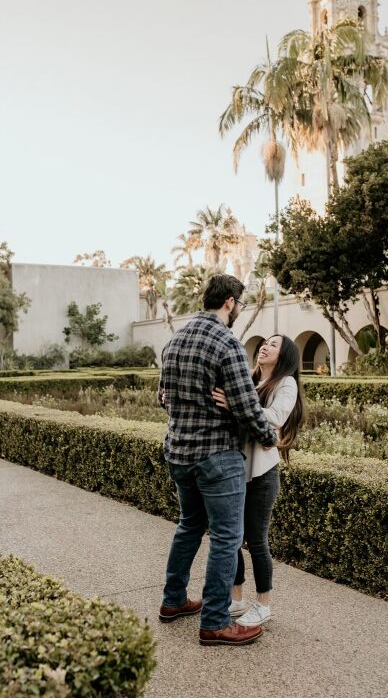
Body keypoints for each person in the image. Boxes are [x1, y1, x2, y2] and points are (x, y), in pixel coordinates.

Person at [158, 274, 277, 647]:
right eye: (239, 305)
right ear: (230, 302)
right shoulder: (227, 343)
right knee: (227, 537)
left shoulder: (175, 340)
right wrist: (270, 437)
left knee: (189, 526)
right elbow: (246, 407)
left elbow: (163, 397)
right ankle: (214, 621)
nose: (239, 310)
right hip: (217, 457)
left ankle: (173, 600)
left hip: (179, 453)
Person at [212, 334, 304, 627]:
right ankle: (236, 598)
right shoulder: (250, 380)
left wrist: (235, 405)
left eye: (273, 344)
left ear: (284, 355)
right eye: (265, 342)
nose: (265, 346)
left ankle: (263, 604)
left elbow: (276, 417)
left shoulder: (285, 383)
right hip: (237, 469)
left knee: (257, 541)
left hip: (263, 474)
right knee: (234, 538)